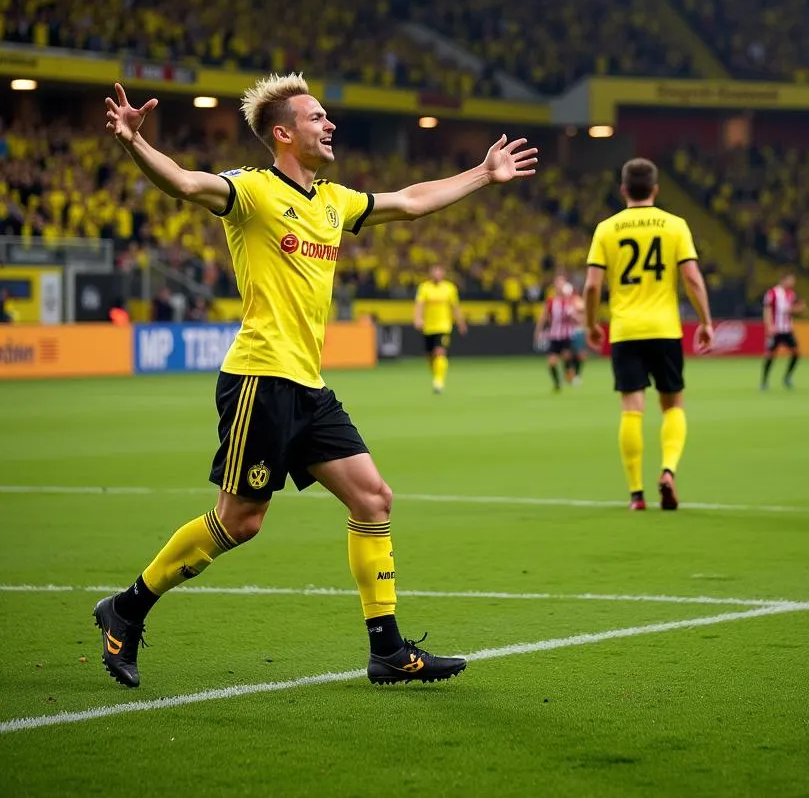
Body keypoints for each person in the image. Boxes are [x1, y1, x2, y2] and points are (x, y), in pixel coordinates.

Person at [93, 75, 537, 689]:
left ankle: (387, 650)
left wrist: (483, 174)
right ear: (283, 133)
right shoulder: (251, 192)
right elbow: (184, 183)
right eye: (316, 117)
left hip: (307, 385)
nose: (329, 125)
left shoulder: (333, 201)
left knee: (373, 498)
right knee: (240, 521)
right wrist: (134, 144)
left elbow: (409, 200)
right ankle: (127, 607)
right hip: (259, 380)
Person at [583, 158, 713, 512]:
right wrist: (705, 320)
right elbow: (691, 278)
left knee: (631, 409)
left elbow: (593, 286)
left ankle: (637, 494)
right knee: (673, 405)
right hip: (664, 328)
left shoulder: (607, 229)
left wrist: (592, 325)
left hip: (626, 330)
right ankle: (668, 472)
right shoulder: (675, 226)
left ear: (623, 189)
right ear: (655, 189)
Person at [413, 264, 466, 394]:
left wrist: (461, 322)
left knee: (439, 352)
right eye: (434, 271)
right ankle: (437, 376)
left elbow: (455, 307)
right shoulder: (424, 288)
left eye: (439, 271)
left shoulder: (449, 288)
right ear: (431, 273)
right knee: (430, 357)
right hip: (428, 327)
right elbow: (419, 305)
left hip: (443, 326)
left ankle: (438, 381)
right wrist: (418, 318)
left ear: (443, 273)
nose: (436, 274)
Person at [535, 273, 579, 391]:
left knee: (566, 357)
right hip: (554, 336)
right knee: (552, 363)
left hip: (566, 336)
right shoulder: (551, 302)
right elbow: (543, 317)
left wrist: (577, 320)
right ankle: (557, 383)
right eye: (558, 283)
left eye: (562, 283)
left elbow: (575, 317)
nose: (560, 286)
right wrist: (538, 332)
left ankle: (570, 375)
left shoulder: (570, 301)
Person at [761, 272, 803, 390]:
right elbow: (767, 309)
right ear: (783, 280)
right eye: (790, 280)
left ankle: (787, 377)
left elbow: (794, 309)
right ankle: (764, 381)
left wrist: (797, 309)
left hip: (787, 329)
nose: (792, 283)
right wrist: (769, 326)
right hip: (776, 329)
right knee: (770, 355)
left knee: (796, 353)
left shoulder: (791, 294)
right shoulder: (773, 293)